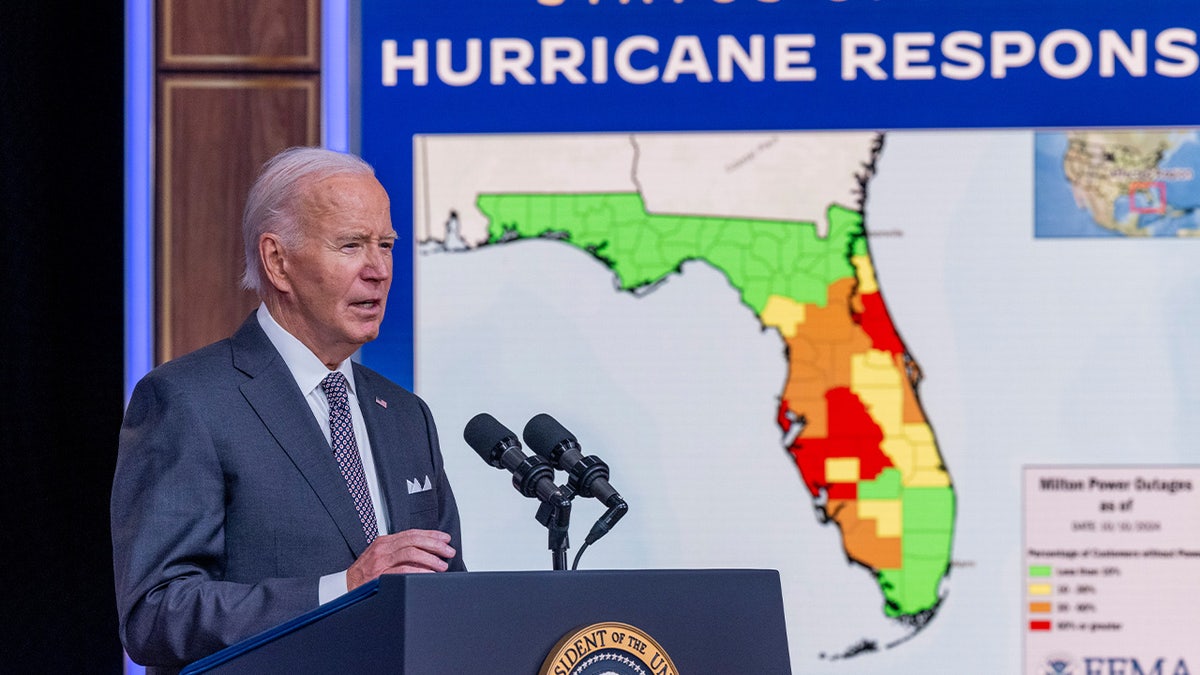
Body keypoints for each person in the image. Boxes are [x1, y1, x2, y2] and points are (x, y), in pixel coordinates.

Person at [111, 147, 464, 672]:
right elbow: (157, 614)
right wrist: (341, 588)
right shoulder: (188, 400)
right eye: (351, 245)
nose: (379, 270)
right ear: (278, 261)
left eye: (385, 245)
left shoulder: (406, 414)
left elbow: (449, 599)